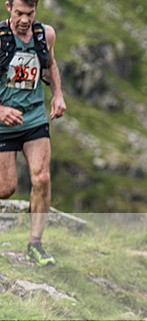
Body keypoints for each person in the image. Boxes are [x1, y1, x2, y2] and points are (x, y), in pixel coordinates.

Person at [0, 0, 66, 266]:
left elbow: (50, 65)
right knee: (6, 188)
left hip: (34, 118)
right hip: (3, 123)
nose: (24, 20)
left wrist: (58, 95)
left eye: (30, 13)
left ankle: (35, 245)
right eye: (19, 14)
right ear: (8, 8)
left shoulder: (44, 35)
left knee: (42, 177)